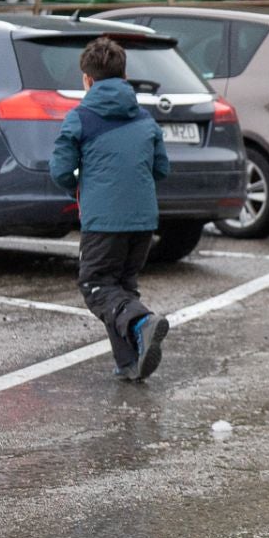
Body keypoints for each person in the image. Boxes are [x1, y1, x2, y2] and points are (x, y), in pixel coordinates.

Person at [49, 36, 171, 381]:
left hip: (104, 221)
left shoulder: (80, 118)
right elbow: (162, 169)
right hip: (144, 221)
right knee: (122, 288)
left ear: (87, 79)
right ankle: (130, 362)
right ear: (124, 75)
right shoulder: (145, 120)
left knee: (96, 286)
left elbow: (59, 170)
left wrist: (82, 185)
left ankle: (143, 322)